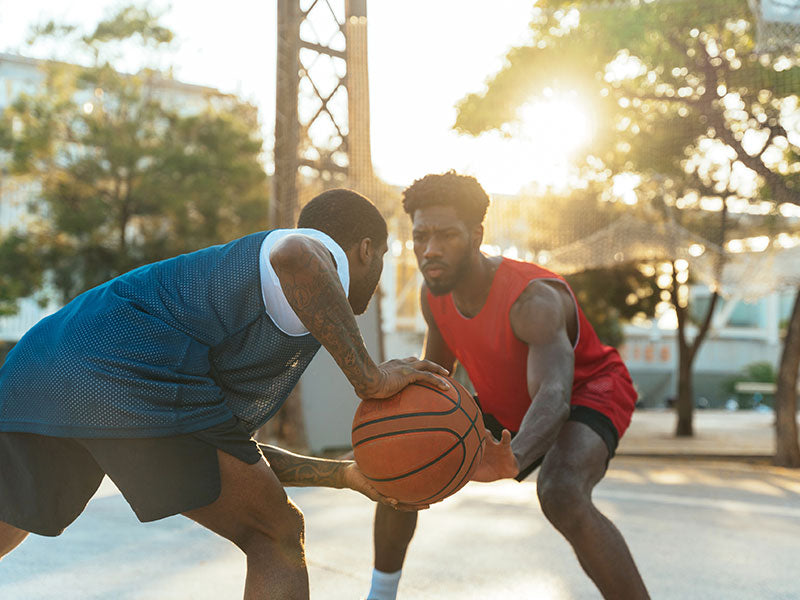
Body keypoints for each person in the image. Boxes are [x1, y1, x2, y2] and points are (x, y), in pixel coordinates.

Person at [0, 188, 448, 600]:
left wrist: (343, 475)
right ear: (365, 249)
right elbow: (295, 252)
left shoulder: (251, 302)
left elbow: (231, 455)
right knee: (276, 534)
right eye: (385, 256)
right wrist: (370, 378)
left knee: (6, 522)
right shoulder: (306, 252)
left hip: (39, 366)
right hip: (130, 370)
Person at [366, 173, 650, 600]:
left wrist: (512, 458)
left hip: (589, 391)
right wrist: (391, 428)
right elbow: (436, 380)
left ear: (477, 234)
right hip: (510, 400)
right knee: (400, 464)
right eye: (421, 236)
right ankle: (380, 595)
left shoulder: (532, 300)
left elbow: (554, 396)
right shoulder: (433, 294)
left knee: (560, 491)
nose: (430, 250)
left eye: (446, 235)